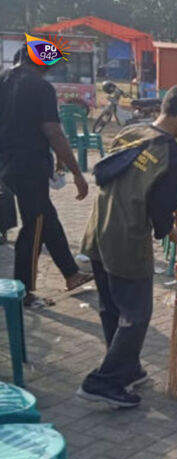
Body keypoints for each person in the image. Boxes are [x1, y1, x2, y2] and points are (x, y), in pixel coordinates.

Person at [77, 85, 177, 408]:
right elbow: (161, 211)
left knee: (112, 306)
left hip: (98, 231)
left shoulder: (133, 131)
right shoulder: (173, 155)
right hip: (127, 239)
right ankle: (103, 382)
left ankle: (126, 369)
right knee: (136, 314)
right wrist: (172, 233)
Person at [0, 47, 92, 308]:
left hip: (8, 164)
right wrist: (77, 173)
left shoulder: (2, 80)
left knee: (46, 218)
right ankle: (24, 291)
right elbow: (53, 131)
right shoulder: (40, 88)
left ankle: (71, 274)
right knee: (34, 227)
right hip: (30, 166)